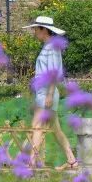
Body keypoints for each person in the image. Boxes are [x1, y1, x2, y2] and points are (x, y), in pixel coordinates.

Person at [24, 16, 78, 170]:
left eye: (36, 29)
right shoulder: (48, 47)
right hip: (43, 93)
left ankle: (31, 163)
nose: (34, 32)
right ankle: (72, 160)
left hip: (47, 93)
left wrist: (49, 94)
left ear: (44, 30)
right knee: (56, 130)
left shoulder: (52, 49)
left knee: (37, 127)